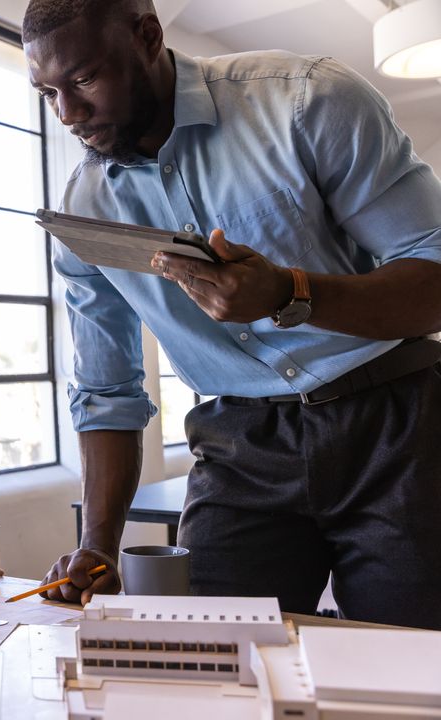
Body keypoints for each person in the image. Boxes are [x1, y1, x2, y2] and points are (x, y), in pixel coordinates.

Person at [22, 0, 441, 628]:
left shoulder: (308, 101)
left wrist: (290, 294)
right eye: (48, 91)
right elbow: (108, 391)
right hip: (237, 448)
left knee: (411, 670)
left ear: (147, 34)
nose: (68, 114)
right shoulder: (86, 209)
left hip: (395, 427)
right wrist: (98, 543)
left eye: (83, 79)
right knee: (215, 664)